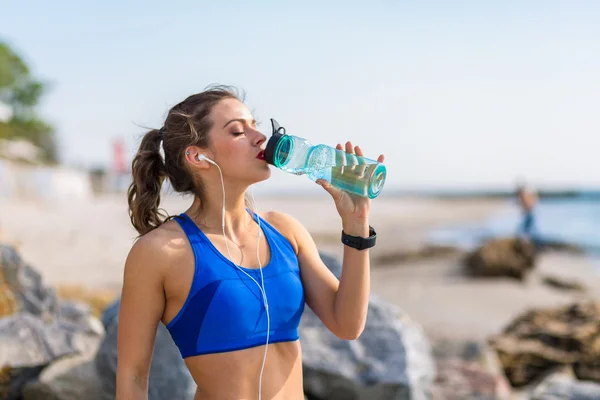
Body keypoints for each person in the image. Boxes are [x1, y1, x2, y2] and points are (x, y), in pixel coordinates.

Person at [116, 85, 385, 400]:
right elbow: (133, 375)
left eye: (256, 126)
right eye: (237, 131)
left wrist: (356, 225)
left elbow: (347, 325)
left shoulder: (285, 231)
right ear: (198, 156)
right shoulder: (159, 252)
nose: (261, 138)